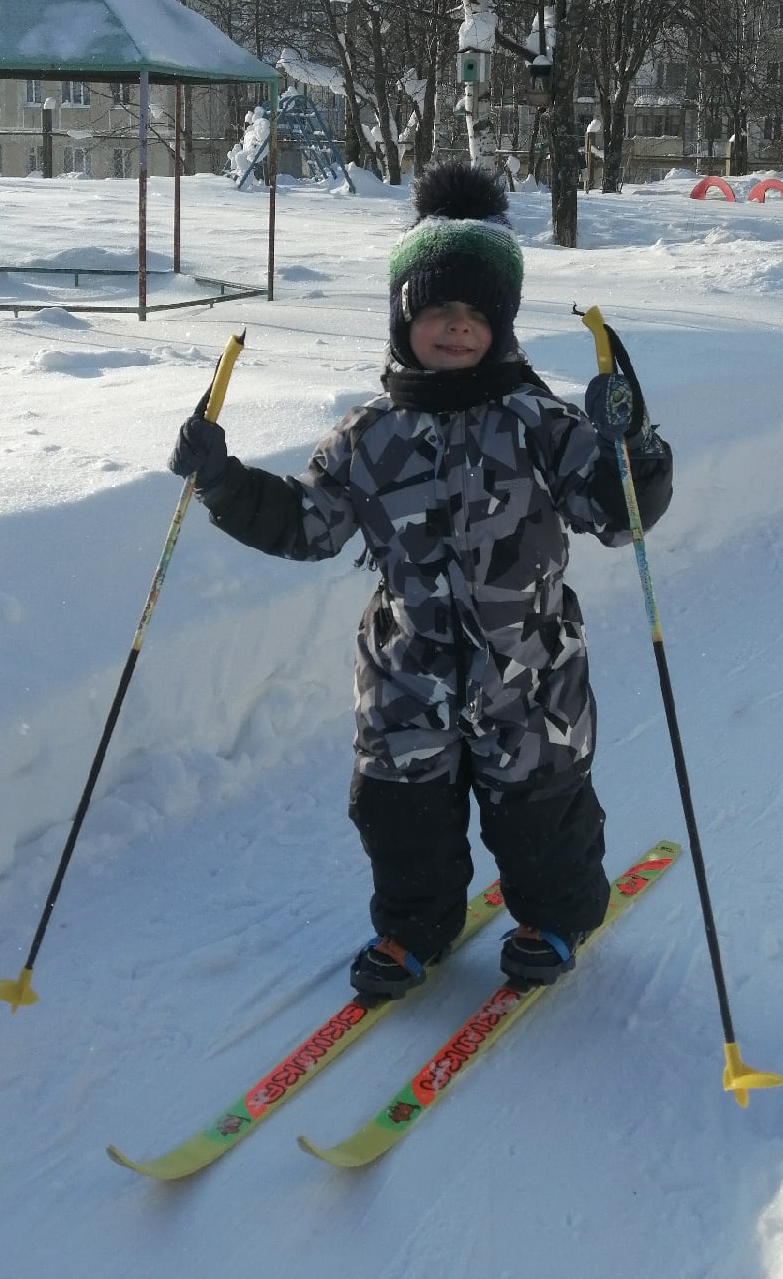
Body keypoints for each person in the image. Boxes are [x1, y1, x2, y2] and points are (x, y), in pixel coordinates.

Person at [168, 162, 673, 996]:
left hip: (530, 678)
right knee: (402, 818)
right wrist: (223, 482)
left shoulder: (543, 424)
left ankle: (553, 916)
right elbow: (308, 522)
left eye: (476, 315)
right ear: (404, 318)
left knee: (541, 812)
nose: (456, 329)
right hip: (406, 677)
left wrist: (638, 452)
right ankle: (413, 930)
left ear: (502, 326)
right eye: (438, 310)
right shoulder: (372, 435)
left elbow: (619, 514)